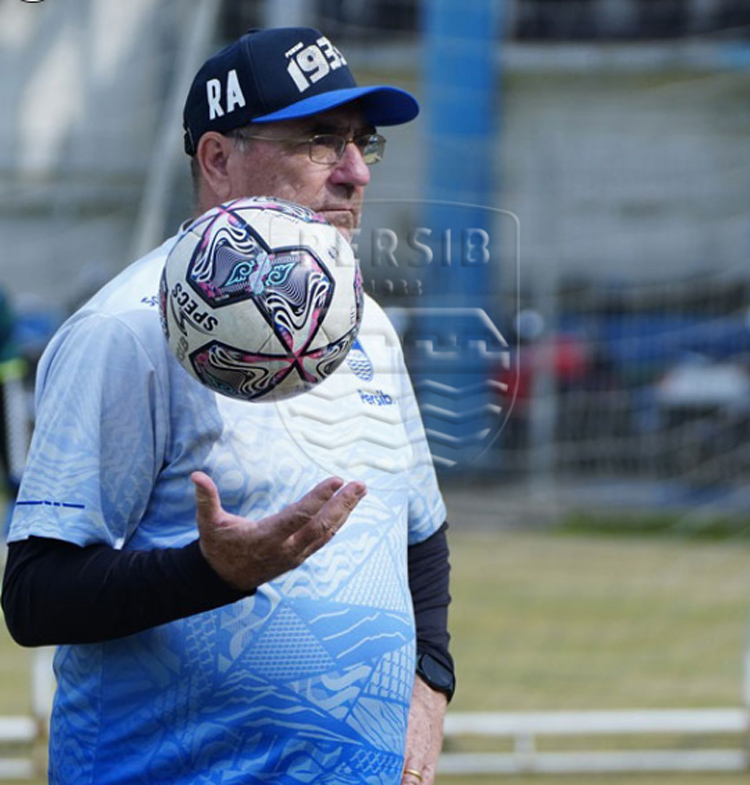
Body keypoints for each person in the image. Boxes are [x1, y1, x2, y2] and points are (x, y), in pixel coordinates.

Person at [1, 26, 454, 785]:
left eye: (361, 143)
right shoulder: (126, 330)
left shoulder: (364, 322)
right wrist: (212, 571)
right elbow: (35, 596)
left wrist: (430, 686)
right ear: (217, 158)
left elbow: (422, 536)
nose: (355, 173)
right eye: (319, 141)